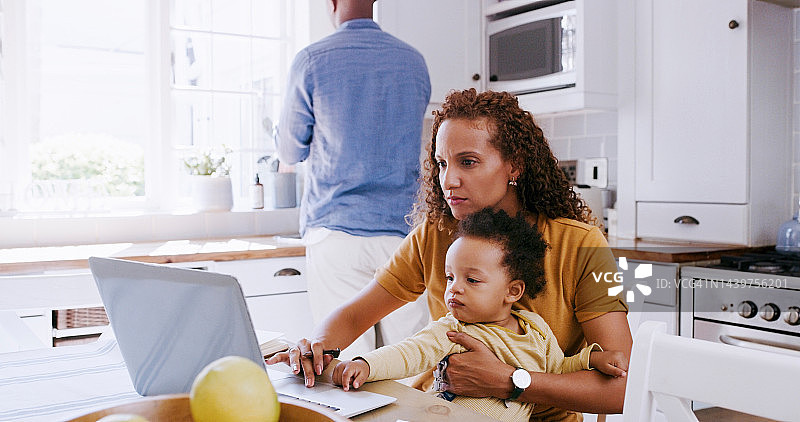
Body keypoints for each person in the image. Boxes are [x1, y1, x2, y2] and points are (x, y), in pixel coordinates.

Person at [268, 88, 631, 421]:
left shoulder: (582, 245)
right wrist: (317, 350)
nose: (449, 180)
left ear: (514, 165)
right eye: (442, 163)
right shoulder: (436, 234)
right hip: (434, 409)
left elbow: (623, 387)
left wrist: (511, 381)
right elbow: (353, 316)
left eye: (468, 162)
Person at [332, 208, 627, 422]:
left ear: (512, 291)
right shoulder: (453, 329)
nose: (454, 289)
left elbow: (557, 368)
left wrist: (590, 359)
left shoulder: (535, 330)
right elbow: (409, 353)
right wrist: (366, 364)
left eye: (471, 281)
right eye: (449, 278)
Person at [273, 0, 432, 359]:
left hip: (336, 235)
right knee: (409, 362)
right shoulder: (413, 62)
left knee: (343, 364)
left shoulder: (312, 60)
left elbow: (290, 151)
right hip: (403, 235)